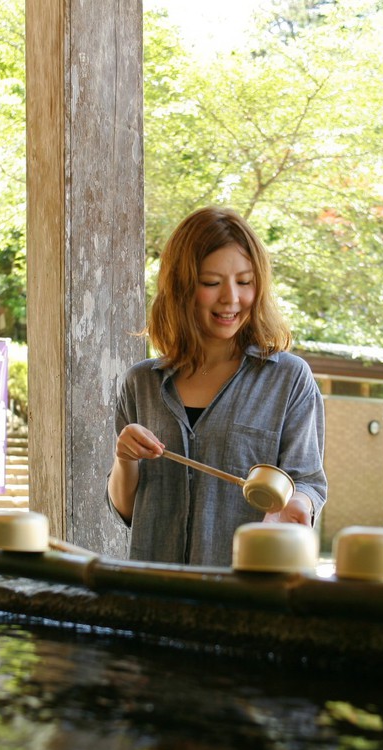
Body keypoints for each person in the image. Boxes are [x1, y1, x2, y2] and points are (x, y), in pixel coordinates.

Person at [108, 206, 327, 566]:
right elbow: (126, 509)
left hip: (244, 598)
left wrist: (295, 505)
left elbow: (308, 483)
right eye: (211, 283)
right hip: (153, 596)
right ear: (181, 288)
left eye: (245, 282)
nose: (231, 299)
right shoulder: (141, 383)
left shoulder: (288, 379)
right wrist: (124, 458)